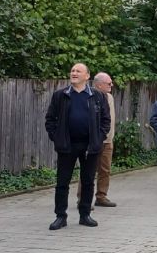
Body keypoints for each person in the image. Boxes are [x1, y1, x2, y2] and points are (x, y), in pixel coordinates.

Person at [44, 63, 111, 230]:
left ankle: (85, 214)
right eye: (72, 70)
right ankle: (61, 216)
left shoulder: (98, 96)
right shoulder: (60, 95)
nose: (74, 73)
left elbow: (105, 120)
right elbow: (50, 119)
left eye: (78, 71)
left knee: (88, 181)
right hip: (67, 145)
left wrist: (99, 137)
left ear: (87, 76)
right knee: (62, 182)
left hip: (90, 146)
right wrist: (57, 137)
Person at [92, 72, 117, 208]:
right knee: (88, 170)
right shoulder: (89, 97)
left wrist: (110, 137)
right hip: (94, 141)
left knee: (105, 170)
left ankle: (101, 196)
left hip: (108, 141)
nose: (111, 85)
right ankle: (83, 199)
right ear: (99, 84)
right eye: (109, 83)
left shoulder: (110, 97)